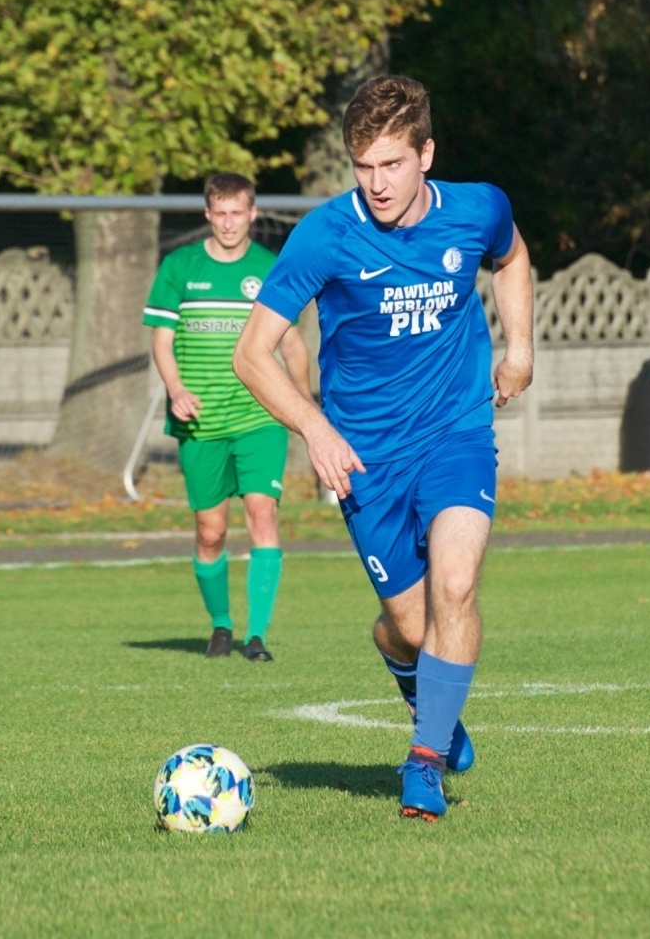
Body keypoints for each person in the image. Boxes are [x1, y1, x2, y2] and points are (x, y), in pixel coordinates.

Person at [234, 75, 535, 821]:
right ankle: (421, 687)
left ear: (426, 154)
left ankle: (425, 760)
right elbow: (252, 354)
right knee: (408, 624)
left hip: (457, 429)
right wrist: (314, 426)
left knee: (456, 584)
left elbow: (513, 256)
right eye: (363, 166)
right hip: (364, 455)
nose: (376, 183)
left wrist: (520, 347)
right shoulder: (325, 235)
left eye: (392, 164)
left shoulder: (478, 208)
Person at [142, 173, 313, 662]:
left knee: (262, 513)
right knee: (210, 530)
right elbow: (161, 339)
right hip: (201, 421)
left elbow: (292, 343)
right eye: (220, 212)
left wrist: (304, 410)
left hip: (259, 416)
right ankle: (221, 624)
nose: (229, 222)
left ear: (252, 214)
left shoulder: (269, 268)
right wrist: (175, 389)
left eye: (238, 212)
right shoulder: (180, 267)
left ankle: (256, 636)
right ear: (208, 215)